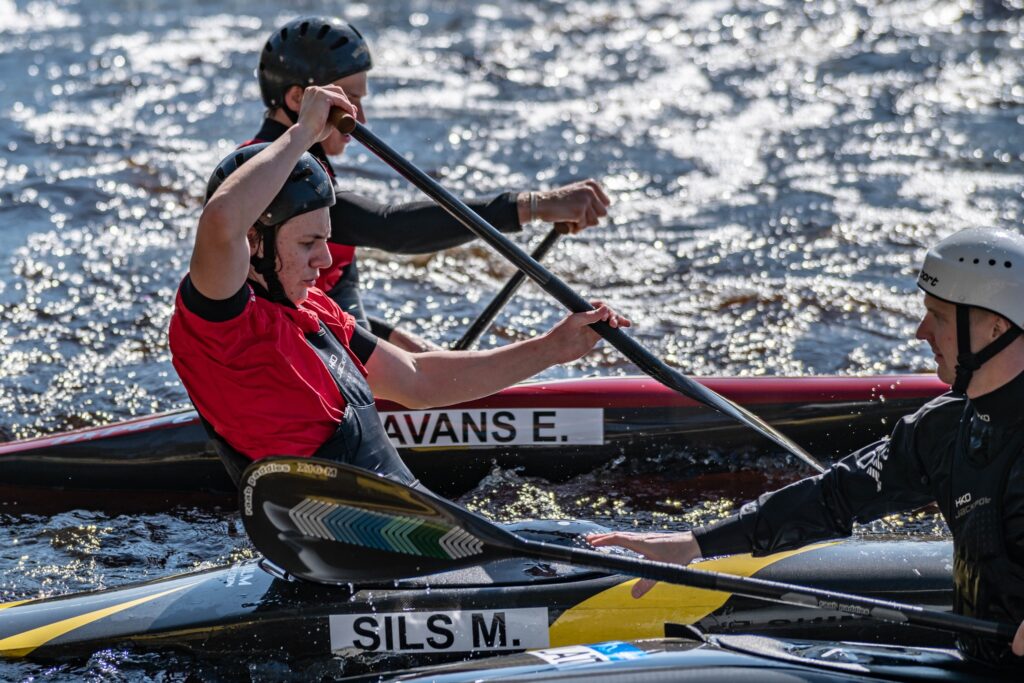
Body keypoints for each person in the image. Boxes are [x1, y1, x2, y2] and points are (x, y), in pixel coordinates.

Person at [588, 227, 1024, 667]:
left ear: (996, 327)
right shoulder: (946, 427)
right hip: (982, 660)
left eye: (940, 318)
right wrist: (695, 543)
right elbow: (834, 497)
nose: (920, 331)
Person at [168, 85, 627, 491]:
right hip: (336, 536)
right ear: (253, 241)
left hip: (407, 520)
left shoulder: (315, 312)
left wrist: (552, 347)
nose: (325, 260)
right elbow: (221, 219)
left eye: (326, 241)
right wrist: (303, 133)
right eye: (308, 243)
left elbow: (418, 380)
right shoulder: (219, 322)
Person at [248, 15, 612, 352]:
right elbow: (390, 228)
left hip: (323, 341)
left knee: (436, 367)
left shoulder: (313, 164)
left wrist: (404, 346)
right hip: (286, 360)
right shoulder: (266, 173)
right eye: (348, 99)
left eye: (360, 99)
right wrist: (534, 206)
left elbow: (333, 291)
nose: (361, 116)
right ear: (298, 98)